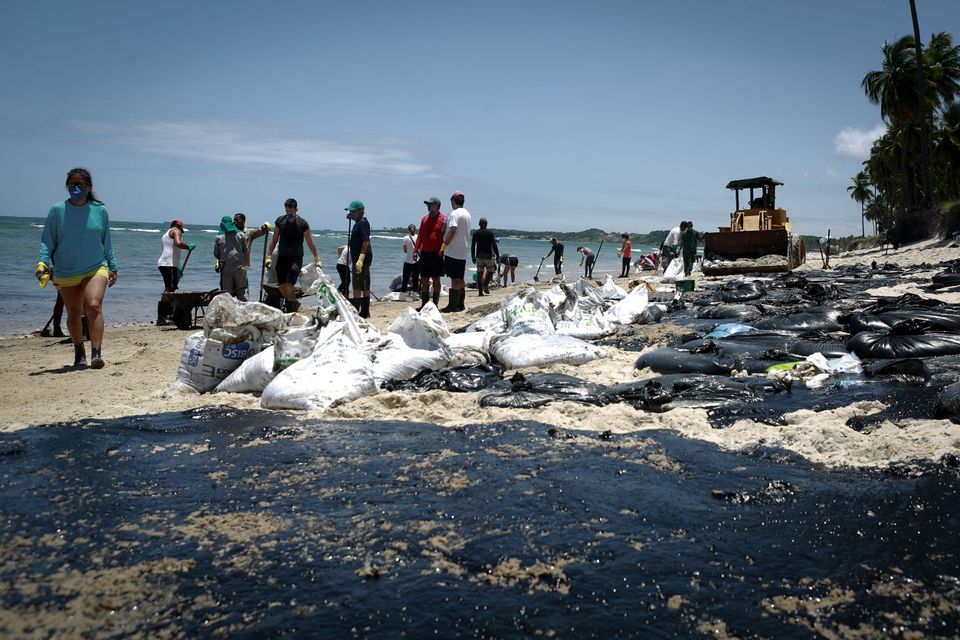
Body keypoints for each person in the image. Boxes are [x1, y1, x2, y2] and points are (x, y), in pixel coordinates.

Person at [36, 167, 118, 369]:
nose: (76, 187)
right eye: (72, 184)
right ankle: (79, 349)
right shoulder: (57, 210)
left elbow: (106, 241)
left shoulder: (100, 210)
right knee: (73, 312)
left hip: (96, 266)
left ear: (89, 187)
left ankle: (96, 353)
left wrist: (113, 266)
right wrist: (43, 262)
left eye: (80, 184)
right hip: (66, 269)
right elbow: (47, 240)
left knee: (93, 305)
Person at [267, 198, 320, 312]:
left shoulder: (303, 223)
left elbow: (310, 241)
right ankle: (292, 302)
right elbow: (274, 240)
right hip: (282, 256)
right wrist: (268, 256)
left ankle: (290, 308)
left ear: (296, 209)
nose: (289, 213)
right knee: (281, 284)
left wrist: (316, 257)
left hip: (296, 257)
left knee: (290, 282)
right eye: (287, 211)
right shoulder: (280, 221)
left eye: (291, 211)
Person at [213, 215, 271, 301]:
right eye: (234, 220)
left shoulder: (247, 233)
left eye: (237, 220)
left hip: (240, 267)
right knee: (229, 293)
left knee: (240, 292)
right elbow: (223, 252)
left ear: (243, 221)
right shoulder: (224, 234)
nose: (235, 222)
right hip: (229, 266)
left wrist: (265, 227)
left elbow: (261, 231)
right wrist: (218, 263)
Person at [441, 191, 471, 313]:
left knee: (454, 279)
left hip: (453, 251)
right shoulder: (467, 214)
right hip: (462, 251)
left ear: (453, 201)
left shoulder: (454, 214)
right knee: (460, 278)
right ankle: (460, 304)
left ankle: (452, 306)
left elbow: (452, 231)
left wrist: (443, 246)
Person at [414, 197, 447, 311]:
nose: (428, 206)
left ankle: (435, 304)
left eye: (430, 204)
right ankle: (424, 304)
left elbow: (447, 237)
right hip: (425, 253)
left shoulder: (444, 219)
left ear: (437, 206)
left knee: (436, 279)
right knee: (424, 279)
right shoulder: (424, 219)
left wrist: (442, 250)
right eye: (427, 204)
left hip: (437, 254)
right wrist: (415, 250)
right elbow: (420, 236)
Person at [346, 200, 372, 318]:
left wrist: (360, 259)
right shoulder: (359, 223)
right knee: (362, 284)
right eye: (350, 211)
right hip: (360, 259)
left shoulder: (362, 223)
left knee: (358, 285)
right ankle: (364, 311)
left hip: (362, 259)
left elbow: (365, 242)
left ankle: (359, 312)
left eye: (353, 211)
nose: (351, 213)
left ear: (360, 212)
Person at [157, 220, 194, 293]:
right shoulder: (176, 231)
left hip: (168, 263)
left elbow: (172, 248)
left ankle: (165, 303)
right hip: (168, 264)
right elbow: (178, 243)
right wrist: (188, 247)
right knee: (170, 289)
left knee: (170, 288)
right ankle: (164, 304)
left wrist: (176, 266)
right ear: (180, 226)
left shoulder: (167, 232)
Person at [470, 217, 499, 296]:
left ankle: (480, 292)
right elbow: (494, 244)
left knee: (479, 273)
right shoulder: (490, 233)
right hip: (488, 256)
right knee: (491, 271)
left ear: (479, 224)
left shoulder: (476, 233)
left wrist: (472, 256)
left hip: (479, 256)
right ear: (486, 224)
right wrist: (498, 255)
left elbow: (472, 246)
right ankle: (485, 285)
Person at [400, 223, 419, 296]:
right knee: (415, 278)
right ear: (415, 229)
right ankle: (415, 294)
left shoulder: (406, 238)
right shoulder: (418, 237)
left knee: (405, 278)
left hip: (408, 261)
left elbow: (405, 250)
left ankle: (402, 295)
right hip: (417, 260)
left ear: (408, 230)